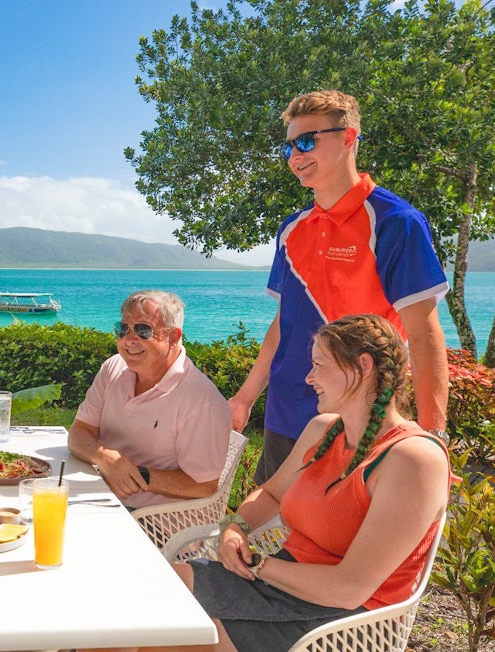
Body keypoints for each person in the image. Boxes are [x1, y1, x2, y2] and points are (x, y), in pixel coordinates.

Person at [134, 314, 452, 652]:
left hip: (344, 624)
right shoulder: (325, 430)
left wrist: (257, 563)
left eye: (318, 365)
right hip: (278, 580)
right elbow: (270, 493)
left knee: (163, 638)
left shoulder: (413, 459)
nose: (309, 377)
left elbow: (349, 589)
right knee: (143, 598)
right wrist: (235, 527)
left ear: (362, 366)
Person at [229, 90, 449, 485]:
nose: (295, 156)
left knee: (339, 542)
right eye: (289, 147)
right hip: (285, 415)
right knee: (268, 533)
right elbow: (284, 324)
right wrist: (245, 398)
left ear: (348, 138)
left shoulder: (395, 222)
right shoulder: (291, 230)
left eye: (307, 141)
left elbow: (424, 333)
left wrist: (433, 437)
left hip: (358, 423)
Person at [68, 290, 232, 509]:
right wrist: (107, 460)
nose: (129, 339)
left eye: (143, 330)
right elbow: (78, 433)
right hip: (101, 497)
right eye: (123, 329)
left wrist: (136, 475)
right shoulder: (113, 367)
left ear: (173, 337)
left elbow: (204, 485)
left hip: (157, 521)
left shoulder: (201, 400)